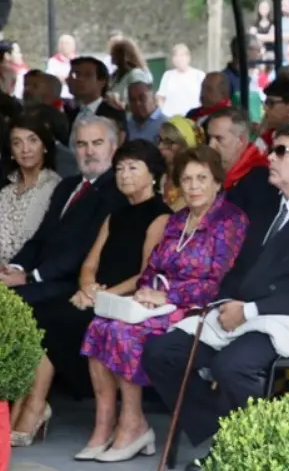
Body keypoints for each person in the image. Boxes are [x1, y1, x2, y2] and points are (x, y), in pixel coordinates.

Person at [142, 123, 289, 470]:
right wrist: (221, 303)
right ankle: (234, 433)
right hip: (242, 312)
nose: (270, 156)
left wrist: (251, 310)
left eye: (282, 151)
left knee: (233, 366)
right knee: (161, 352)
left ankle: (234, 452)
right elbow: (237, 270)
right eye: (273, 149)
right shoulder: (266, 209)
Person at [78, 145, 247, 462]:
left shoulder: (229, 220)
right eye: (187, 179)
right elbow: (153, 267)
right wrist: (145, 291)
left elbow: (216, 282)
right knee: (101, 325)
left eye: (201, 178)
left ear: (217, 181)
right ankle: (105, 423)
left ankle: (133, 424)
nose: (194, 186)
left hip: (201, 310)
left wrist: (168, 296)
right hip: (161, 304)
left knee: (124, 333)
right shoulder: (178, 220)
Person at [9, 140, 172, 448]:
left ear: (153, 174)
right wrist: (87, 286)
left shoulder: (161, 216)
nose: (124, 175)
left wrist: (102, 295)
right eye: (120, 168)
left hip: (126, 299)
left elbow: (146, 274)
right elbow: (90, 262)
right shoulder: (116, 214)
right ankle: (25, 407)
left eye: (133, 168)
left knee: (52, 320)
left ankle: (34, 408)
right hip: (96, 294)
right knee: (35, 313)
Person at [1, 114, 126, 305]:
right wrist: (14, 267)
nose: (89, 151)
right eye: (82, 144)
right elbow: (41, 237)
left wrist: (30, 277)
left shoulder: (116, 191)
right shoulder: (67, 185)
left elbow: (82, 250)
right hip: (42, 278)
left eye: (97, 143)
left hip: (72, 284)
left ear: (113, 147)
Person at [0, 113, 62, 265]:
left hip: (24, 275)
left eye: (33, 140)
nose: (25, 149)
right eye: (17, 143)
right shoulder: (5, 191)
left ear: (45, 146)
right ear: (11, 153)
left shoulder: (57, 188)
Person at [156, 116, 205, 210]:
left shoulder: (194, 183)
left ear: (185, 147)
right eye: (159, 140)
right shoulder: (160, 176)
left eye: (168, 142)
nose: (160, 146)